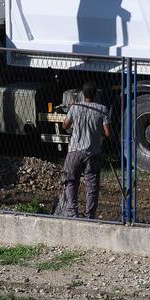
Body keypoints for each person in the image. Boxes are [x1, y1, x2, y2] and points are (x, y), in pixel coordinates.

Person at [60, 81, 111, 220]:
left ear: (83, 94)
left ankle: (72, 211)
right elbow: (107, 132)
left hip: (75, 150)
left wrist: (72, 110)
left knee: (70, 180)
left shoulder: (75, 108)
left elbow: (65, 125)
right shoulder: (102, 109)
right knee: (92, 184)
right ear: (95, 94)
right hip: (93, 151)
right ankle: (89, 214)